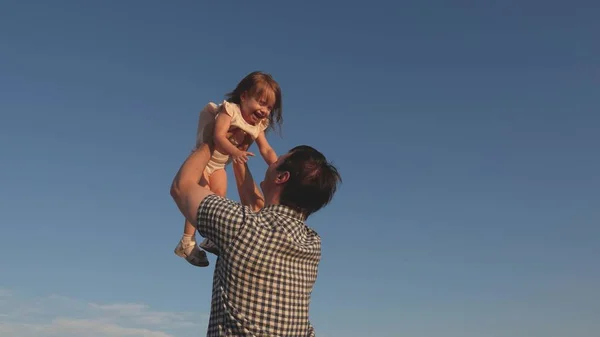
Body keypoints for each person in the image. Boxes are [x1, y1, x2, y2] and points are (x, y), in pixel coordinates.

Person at [170, 142, 341, 337]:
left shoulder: (241, 226)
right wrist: (237, 157)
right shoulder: (312, 244)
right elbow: (257, 207)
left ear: (281, 177)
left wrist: (213, 138)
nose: (271, 162)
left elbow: (181, 187)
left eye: (277, 161)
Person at [174, 71, 283, 267]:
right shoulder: (230, 111)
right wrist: (235, 152)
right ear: (244, 96)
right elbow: (218, 136)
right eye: (260, 102)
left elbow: (265, 148)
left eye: (269, 107)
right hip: (204, 161)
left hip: (219, 165)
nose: (264, 110)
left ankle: (209, 238)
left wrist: (276, 166)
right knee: (200, 196)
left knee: (218, 197)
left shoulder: (258, 125)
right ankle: (186, 242)